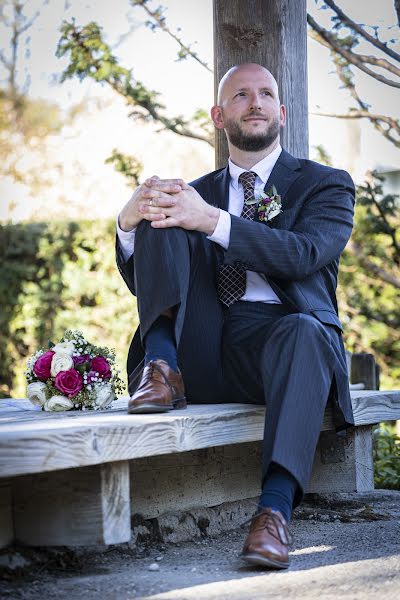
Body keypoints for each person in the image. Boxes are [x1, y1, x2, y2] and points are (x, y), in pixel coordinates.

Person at [116, 63, 355, 569]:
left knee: (307, 331)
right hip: (199, 348)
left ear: (282, 113)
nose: (255, 102)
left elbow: (306, 253)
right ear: (219, 115)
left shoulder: (326, 185)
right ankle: (160, 368)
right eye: (241, 95)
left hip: (279, 345)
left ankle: (273, 515)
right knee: (165, 203)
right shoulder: (197, 190)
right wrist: (128, 223)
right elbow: (151, 278)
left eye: (266, 93)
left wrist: (215, 221)